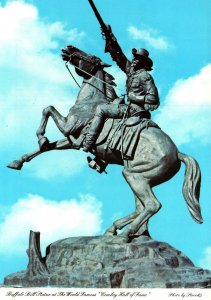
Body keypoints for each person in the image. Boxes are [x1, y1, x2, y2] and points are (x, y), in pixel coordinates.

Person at [83, 26, 160, 152]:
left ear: (143, 63)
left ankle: (88, 142)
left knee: (101, 109)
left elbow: (154, 99)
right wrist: (109, 36)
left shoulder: (145, 77)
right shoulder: (131, 71)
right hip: (128, 107)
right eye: (134, 57)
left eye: (137, 59)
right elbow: (119, 55)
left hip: (135, 110)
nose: (134, 60)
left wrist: (135, 97)